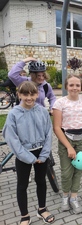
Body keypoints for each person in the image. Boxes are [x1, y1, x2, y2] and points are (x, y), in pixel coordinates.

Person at [3, 81, 54, 225]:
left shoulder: (42, 111)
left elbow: (48, 133)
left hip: (41, 153)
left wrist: (44, 155)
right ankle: (24, 215)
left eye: (32, 94)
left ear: (37, 94)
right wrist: (28, 157)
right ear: (19, 95)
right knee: (22, 185)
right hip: (23, 154)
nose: (29, 98)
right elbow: (12, 138)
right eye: (25, 94)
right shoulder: (13, 114)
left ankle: (42, 209)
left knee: (41, 181)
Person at [52, 74, 82, 214]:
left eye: (77, 85)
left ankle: (74, 197)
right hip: (67, 140)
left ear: (81, 87)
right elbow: (57, 127)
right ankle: (65, 196)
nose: (74, 88)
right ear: (66, 86)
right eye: (71, 85)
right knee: (66, 172)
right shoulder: (60, 103)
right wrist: (69, 147)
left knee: (78, 170)